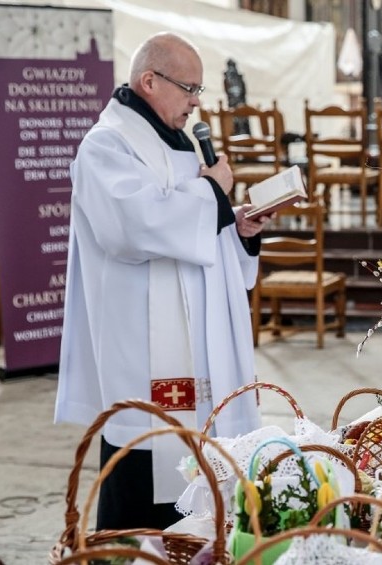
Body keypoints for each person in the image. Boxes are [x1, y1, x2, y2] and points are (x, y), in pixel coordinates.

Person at [54, 32, 269, 530]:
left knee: (207, 473)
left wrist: (235, 224)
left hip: (203, 347)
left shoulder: (177, 146)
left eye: (199, 90)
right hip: (145, 356)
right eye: (189, 88)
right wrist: (212, 192)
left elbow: (191, 226)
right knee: (145, 475)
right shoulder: (106, 147)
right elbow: (133, 226)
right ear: (149, 81)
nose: (197, 103)